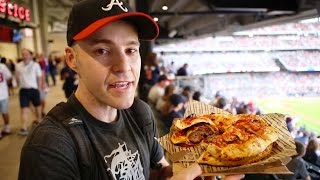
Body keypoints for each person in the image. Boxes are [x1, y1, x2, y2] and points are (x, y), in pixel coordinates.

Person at [18, 1, 244, 179]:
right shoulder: (51, 145)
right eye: (102, 51)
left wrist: (188, 171)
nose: (124, 67)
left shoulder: (140, 113)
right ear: (71, 58)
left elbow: (156, 171)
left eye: (131, 50)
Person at [15, 48, 43, 136]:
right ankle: (24, 127)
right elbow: (17, 77)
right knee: (24, 109)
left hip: (34, 89)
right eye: (23, 54)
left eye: (26, 54)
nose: (24, 56)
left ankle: (39, 120)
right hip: (23, 90)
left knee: (38, 107)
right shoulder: (18, 65)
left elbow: (39, 77)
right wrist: (17, 80)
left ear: (31, 55)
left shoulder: (35, 65)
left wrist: (39, 88)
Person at [0, 61, 12, 138]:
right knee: (5, 112)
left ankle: (7, 127)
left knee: (4, 112)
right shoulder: (2, 66)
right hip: (3, 93)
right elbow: (9, 77)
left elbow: (9, 77)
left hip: (3, 94)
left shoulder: (2, 66)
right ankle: (7, 127)